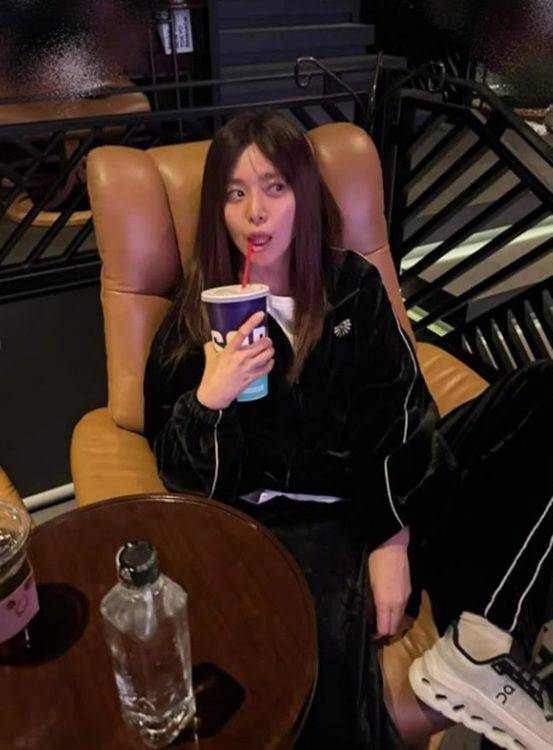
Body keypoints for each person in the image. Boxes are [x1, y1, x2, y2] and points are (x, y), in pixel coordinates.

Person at [143, 109, 553, 749]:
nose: (256, 213)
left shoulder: (352, 286)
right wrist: (209, 399)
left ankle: (485, 641)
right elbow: (181, 478)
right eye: (235, 193)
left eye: (275, 187)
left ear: (304, 196)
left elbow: (403, 411)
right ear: (216, 210)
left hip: (395, 491)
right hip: (296, 524)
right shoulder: (194, 321)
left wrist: (391, 534)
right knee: (325, 685)